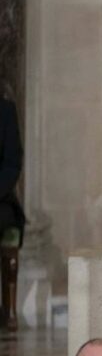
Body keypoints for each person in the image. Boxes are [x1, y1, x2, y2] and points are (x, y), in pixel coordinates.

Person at [0, 98, 25, 330]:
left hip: (1, 198)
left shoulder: (6, 109)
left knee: (6, 220)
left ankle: (8, 311)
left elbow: (12, 162)